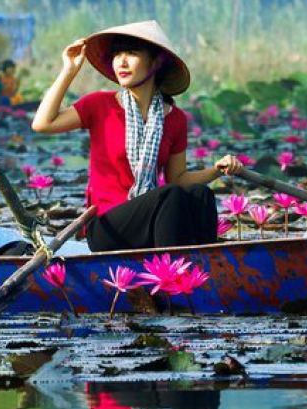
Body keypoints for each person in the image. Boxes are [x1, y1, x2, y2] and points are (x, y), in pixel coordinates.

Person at [32, 20, 240, 251]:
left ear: (157, 62)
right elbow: (43, 124)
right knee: (169, 196)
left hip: (153, 219)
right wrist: (69, 70)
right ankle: (166, 277)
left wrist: (216, 170)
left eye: (131, 53)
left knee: (201, 195)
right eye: (117, 54)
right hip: (108, 227)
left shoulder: (175, 118)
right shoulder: (99, 104)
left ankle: (201, 269)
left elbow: (177, 178)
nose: (121, 61)